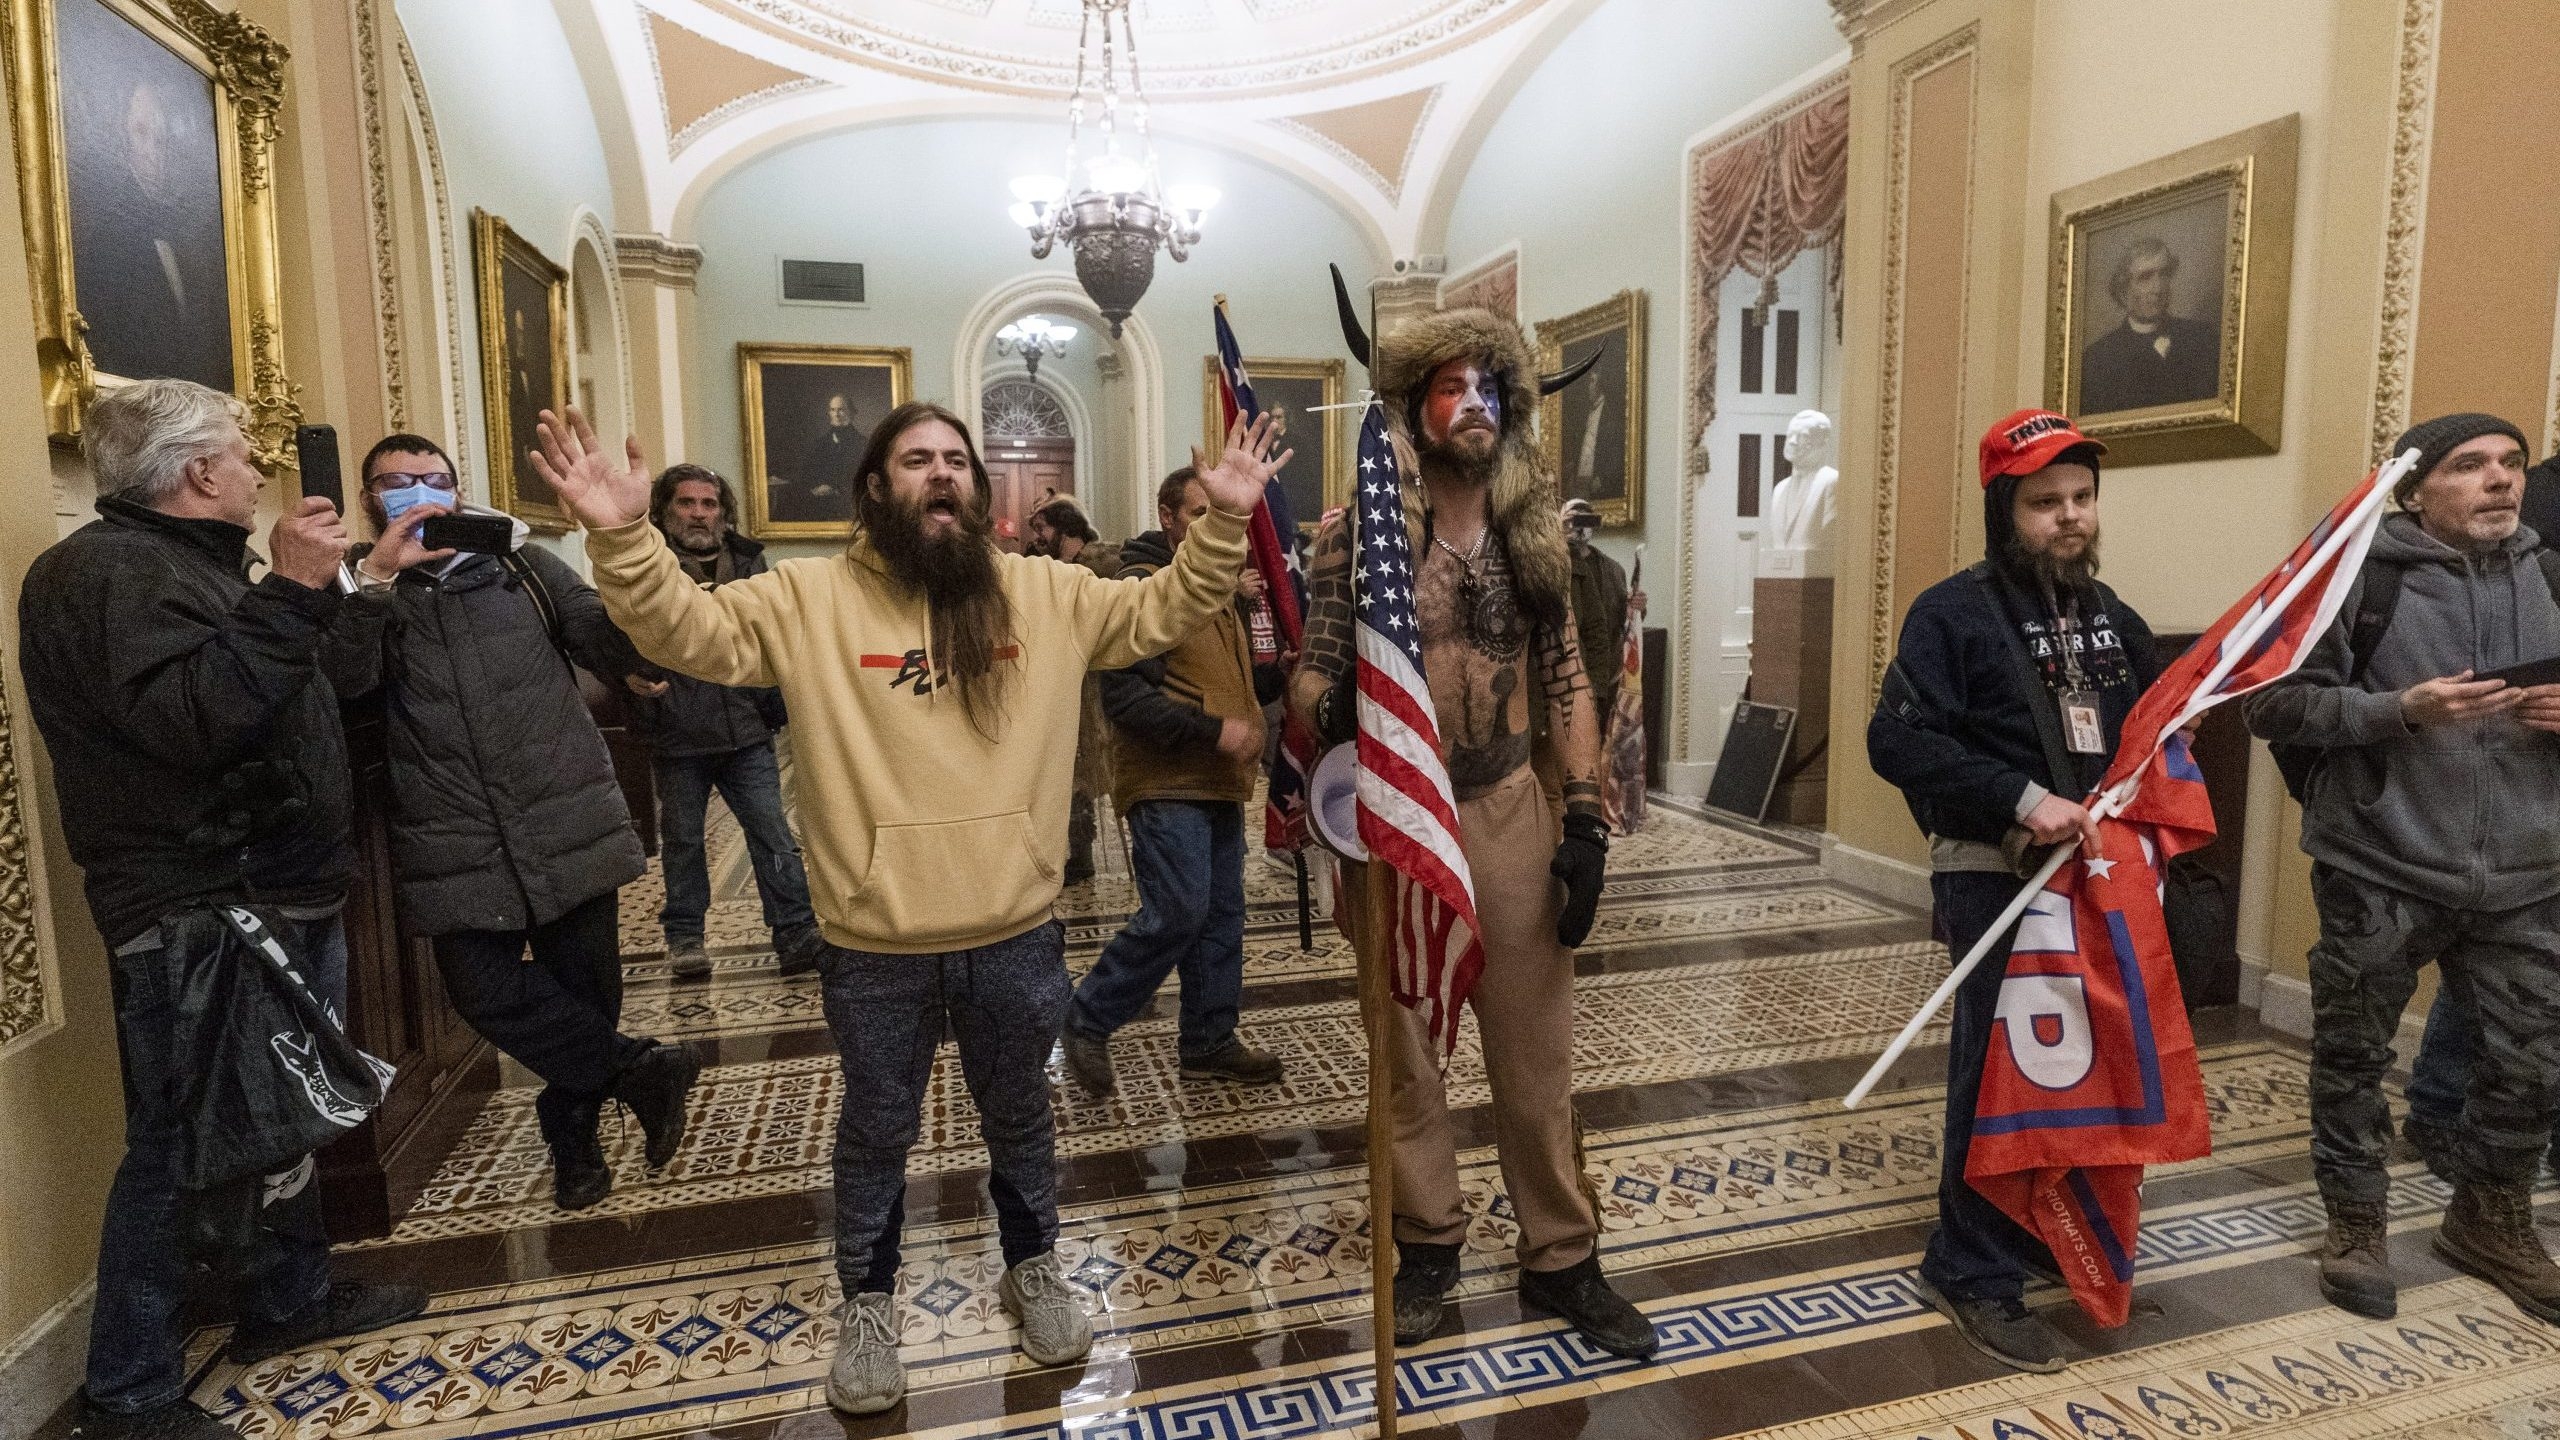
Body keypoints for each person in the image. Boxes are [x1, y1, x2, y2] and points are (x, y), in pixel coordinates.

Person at [539, 400, 1286, 1416]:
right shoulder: (804, 599)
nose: (941, 475)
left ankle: (1032, 1264)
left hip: (1014, 929)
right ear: (877, 487)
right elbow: (685, 632)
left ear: (977, 491)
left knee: (1020, 1111)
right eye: (916, 460)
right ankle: (868, 1300)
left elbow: (1159, 609)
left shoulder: (1046, 594)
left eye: (955, 462)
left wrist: (1227, 521)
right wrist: (623, 535)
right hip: (872, 941)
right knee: (877, 1125)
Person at [19, 380, 430, 1439]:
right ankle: (129, 1393)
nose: (258, 471)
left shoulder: (204, 567)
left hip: (276, 891)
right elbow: (195, 721)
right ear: (200, 472)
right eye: (245, 455)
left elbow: (310, 684)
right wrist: (292, 592)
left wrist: (358, 585)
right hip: (202, 908)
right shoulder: (99, 573)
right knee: (177, 1145)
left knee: (285, 1118)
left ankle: (287, 1304)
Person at [1293, 307, 1655, 1362]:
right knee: (1405, 1057)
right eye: (1453, 389)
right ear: (1413, 409)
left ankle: (1562, 1259)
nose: (1476, 406)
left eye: (1491, 389)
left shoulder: (1533, 532)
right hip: (1400, 819)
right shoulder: (1353, 537)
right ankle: (1430, 1243)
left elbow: (1569, 679)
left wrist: (1583, 815)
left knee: (1535, 1057)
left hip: (1506, 810)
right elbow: (1309, 672)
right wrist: (1332, 711)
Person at [2243, 412, 2560, 1326]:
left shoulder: (2552, 574)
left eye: (2511, 465)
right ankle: (2356, 1226)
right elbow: (2270, 704)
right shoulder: (2357, 580)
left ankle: (2490, 1221)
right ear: (2418, 490)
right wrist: (2400, 710)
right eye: (2471, 467)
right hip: (2381, 863)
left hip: (2528, 874)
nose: (2500, 480)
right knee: (2352, 1056)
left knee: (2535, 1065)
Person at [1867, 408, 2163, 1373]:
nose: (2069, 518)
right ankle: (1970, 1267)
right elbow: (1899, 742)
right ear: (2005, 510)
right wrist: (2023, 797)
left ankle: (2046, 1223)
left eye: (2081, 499)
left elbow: (2154, 741)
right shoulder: (1950, 614)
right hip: (1991, 873)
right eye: (2045, 503)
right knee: (1999, 1077)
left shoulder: (2115, 621)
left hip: (2096, 886)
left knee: (2085, 1065)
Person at [338, 434, 702, 1214]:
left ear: (458, 491)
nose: (414, 491)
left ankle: (574, 1147)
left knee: (585, 996)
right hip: (451, 832)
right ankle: (641, 1069)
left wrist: (641, 655)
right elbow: (344, 682)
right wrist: (375, 580)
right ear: (370, 500)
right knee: (484, 991)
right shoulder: (356, 587)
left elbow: (595, 631)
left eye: (431, 479)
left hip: (564, 812)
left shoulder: (520, 565)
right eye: (394, 483)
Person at [1062, 467, 1287, 1098]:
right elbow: (1125, 698)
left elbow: (1235, 683)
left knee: (1221, 917)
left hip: (1216, 780)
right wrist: (1216, 731)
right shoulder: (1145, 586)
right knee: (1180, 910)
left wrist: (1278, 674)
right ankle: (1088, 1014)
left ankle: (1209, 1042)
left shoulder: (1214, 591)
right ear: (1169, 516)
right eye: (1198, 514)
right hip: (1168, 778)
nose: (1215, 530)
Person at [630, 463, 823, 980]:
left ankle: (796, 931)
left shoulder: (751, 561)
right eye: (686, 504)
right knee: (685, 840)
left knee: (772, 833)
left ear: (723, 511)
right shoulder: (652, 566)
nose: (698, 514)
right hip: (679, 730)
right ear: (665, 511)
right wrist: (628, 675)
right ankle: (686, 938)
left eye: (708, 504)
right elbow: (619, 630)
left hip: (744, 727)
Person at [1026, 493, 1120, 884]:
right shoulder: (1049, 568)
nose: (1039, 536)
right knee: (1070, 773)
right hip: (1065, 685)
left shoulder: (1102, 561)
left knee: (1090, 770)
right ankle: (1079, 853)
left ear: (1064, 527)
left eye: (1043, 528)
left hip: (1101, 686)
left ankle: (1084, 856)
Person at [2078, 237, 2220, 413]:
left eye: (2164, 275)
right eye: (2145, 278)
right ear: (2123, 289)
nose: (2158, 288)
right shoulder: (2097, 359)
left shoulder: (2204, 338)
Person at [1562, 497, 1635, 720]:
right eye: (1574, 520)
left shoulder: (1614, 571)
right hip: (1566, 672)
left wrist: (1636, 607)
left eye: (1587, 520)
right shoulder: (1554, 566)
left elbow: (1621, 621)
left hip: (1605, 674)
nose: (1580, 528)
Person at [774, 393, 862, 523]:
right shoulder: (820, 443)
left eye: (841, 410)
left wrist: (835, 489)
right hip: (816, 493)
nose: (836, 414)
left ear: (852, 412)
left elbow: (860, 478)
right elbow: (806, 471)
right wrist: (813, 488)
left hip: (843, 497)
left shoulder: (861, 443)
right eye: (833, 410)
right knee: (788, 497)